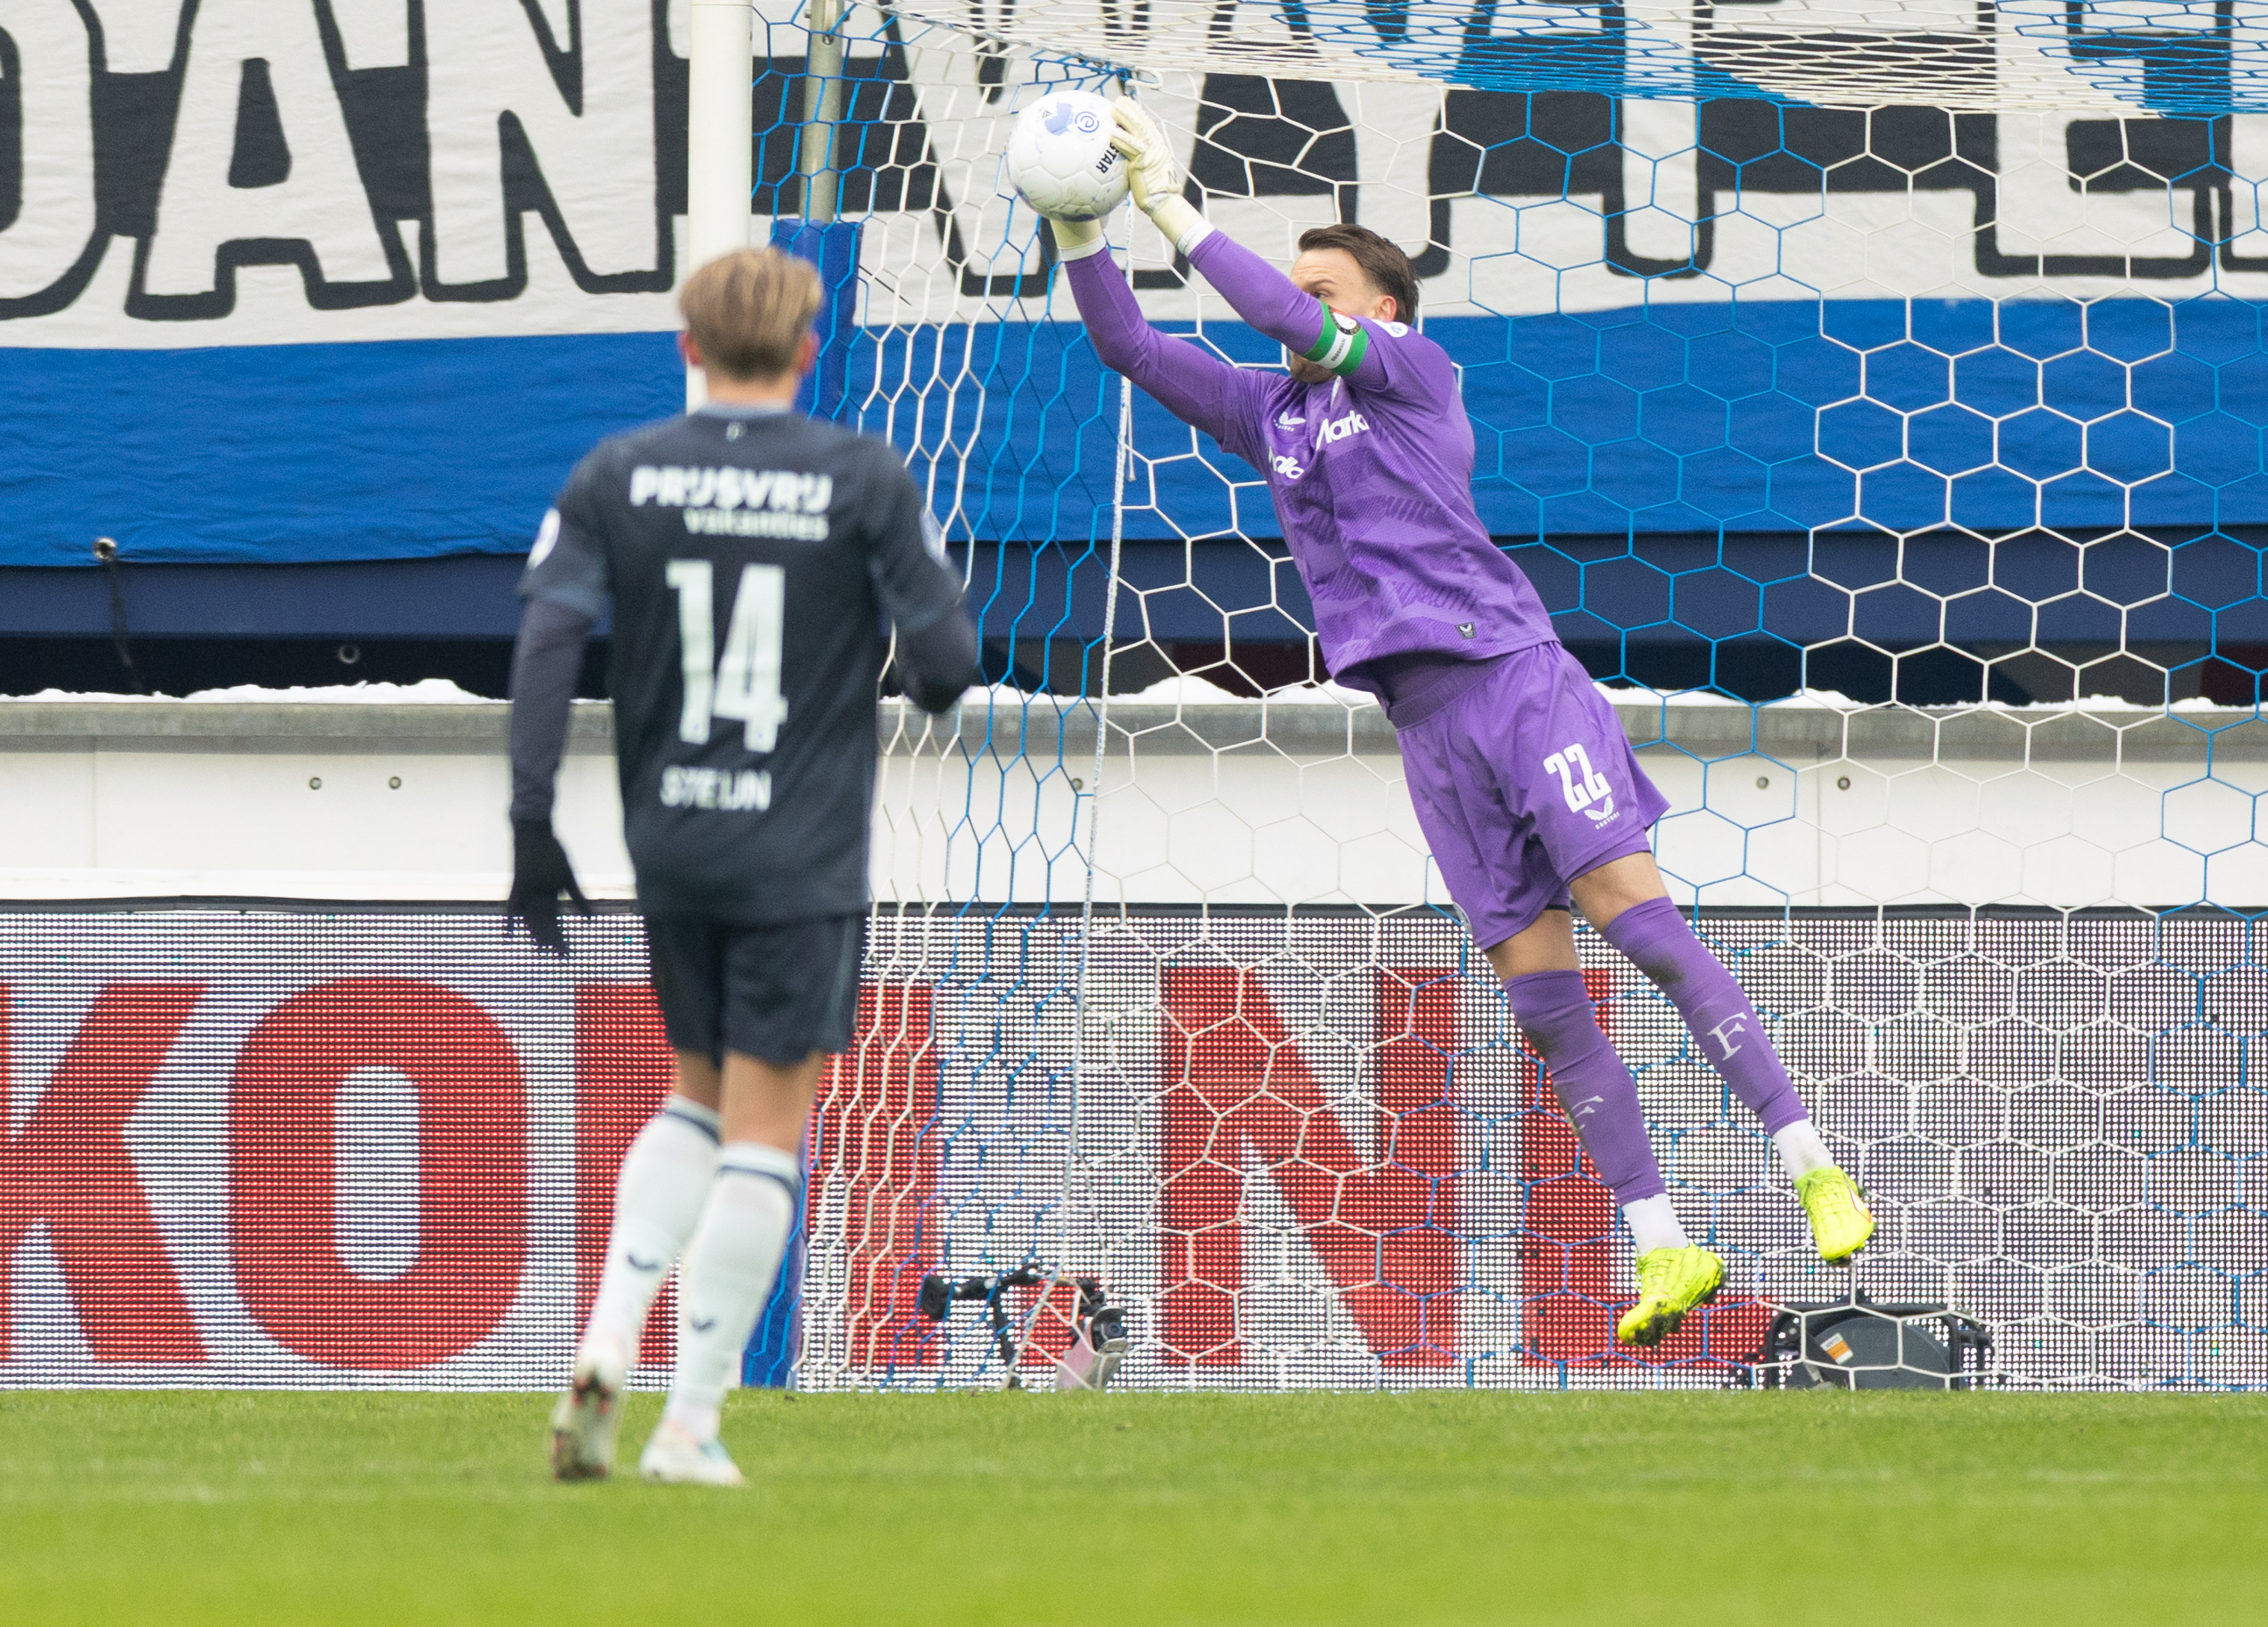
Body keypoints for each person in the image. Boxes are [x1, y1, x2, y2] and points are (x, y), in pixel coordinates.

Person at [1057, 99, 1873, 1349]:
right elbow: (1129, 346)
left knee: (1640, 928)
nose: (1291, 304)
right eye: (1296, 285)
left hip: (1514, 683)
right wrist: (1079, 228)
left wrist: (1177, 213)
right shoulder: (1270, 418)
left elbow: (1288, 320)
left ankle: (1808, 1156)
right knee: (1543, 1000)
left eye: (1320, 286)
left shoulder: (1409, 378)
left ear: (1380, 311)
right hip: (1426, 727)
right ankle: (1663, 1244)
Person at [506, 246, 977, 1482]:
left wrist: (530, 819)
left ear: (688, 346)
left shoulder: (622, 471)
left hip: (674, 837)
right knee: (770, 1127)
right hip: (798, 841)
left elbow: (549, 637)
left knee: (694, 1093)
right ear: (810, 350)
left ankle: (609, 1337)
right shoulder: (863, 475)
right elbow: (943, 670)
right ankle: (690, 1425)